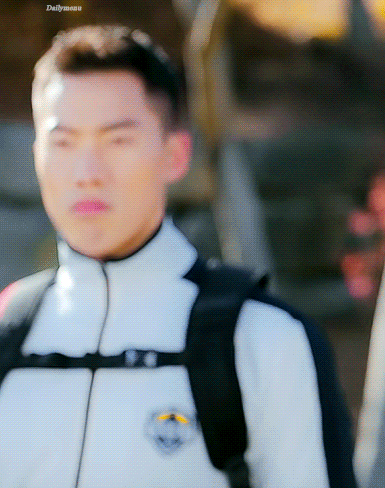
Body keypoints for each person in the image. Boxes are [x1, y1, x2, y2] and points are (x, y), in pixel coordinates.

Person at [0, 25, 356, 487]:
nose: (87, 173)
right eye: (63, 142)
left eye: (117, 140)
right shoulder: (7, 326)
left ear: (176, 155)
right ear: (36, 155)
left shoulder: (265, 340)